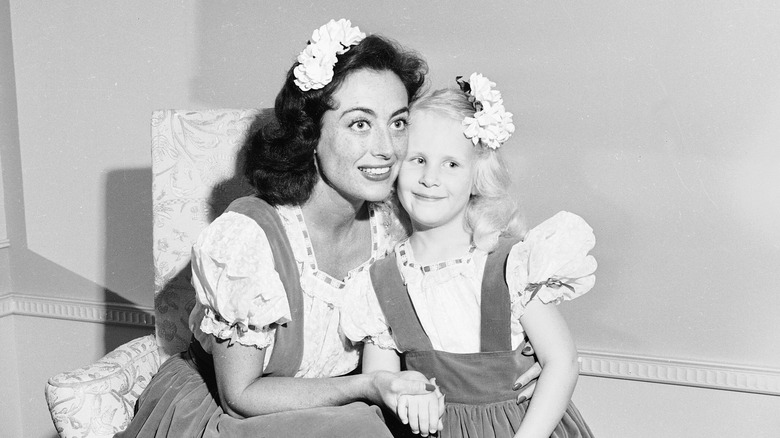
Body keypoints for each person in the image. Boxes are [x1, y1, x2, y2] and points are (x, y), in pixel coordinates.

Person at [119, 19, 437, 438]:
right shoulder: (247, 241)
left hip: (337, 412)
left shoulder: (392, 226)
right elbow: (240, 397)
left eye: (397, 122)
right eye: (360, 123)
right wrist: (368, 385)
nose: (387, 148)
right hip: (229, 416)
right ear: (310, 135)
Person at [342, 75, 596, 437]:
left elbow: (562, 360)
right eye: (418, 160)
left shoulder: (508, 264)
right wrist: (407, 399)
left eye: (451, 165)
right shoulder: (381, 281)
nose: (430, 178)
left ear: (477, 177)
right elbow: (381, 383)